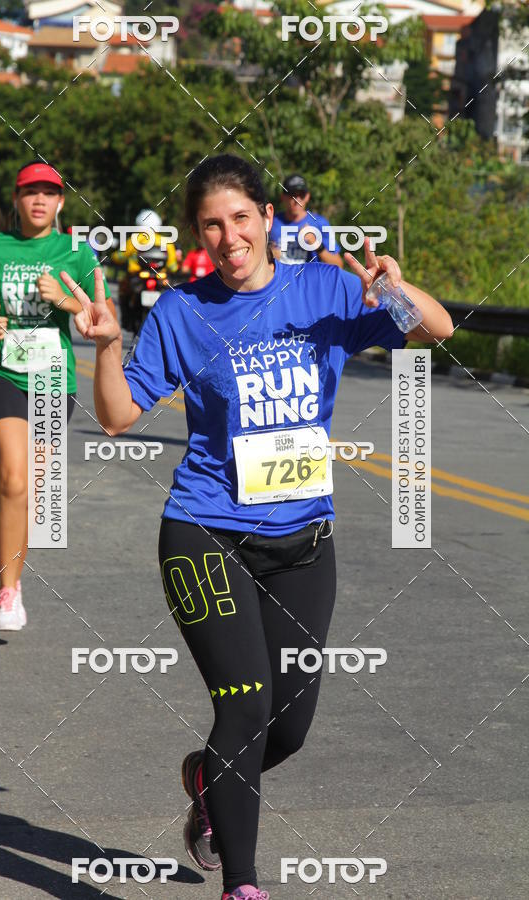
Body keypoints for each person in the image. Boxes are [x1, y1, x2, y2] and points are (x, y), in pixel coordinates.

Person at [61, 154, 453, 900]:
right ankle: (242, 883)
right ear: (197, 234)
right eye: (212, 223)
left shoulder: (327, 289)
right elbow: (115, 417)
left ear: (270, 219)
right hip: (205, 533)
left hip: (304, 543)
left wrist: (392, 290)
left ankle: (207, 778)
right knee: (243, 704)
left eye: (241, 218)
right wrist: (109, 344)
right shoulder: (181, 311)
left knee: (291, 725)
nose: (229, 236)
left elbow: (433, 331)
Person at [0, 160, 115, 632]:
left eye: (49, 192)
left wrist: (65, 300)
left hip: (52, 375)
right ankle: (7, 593)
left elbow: (98, 315)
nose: (39, 200)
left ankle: (17, 582)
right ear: (17, 199)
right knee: (13, 477)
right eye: (31, 192)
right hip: (1, 370)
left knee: (32, 487)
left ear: (61, 201)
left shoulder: (77, 252)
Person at [269, 173, 343, 268]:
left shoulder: (320, 223)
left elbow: (338, 265)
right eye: (292, 195)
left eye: (301, 195)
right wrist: (270, 257)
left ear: (307, 197)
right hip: (282, 282)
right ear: (283, 197)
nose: (297, 200)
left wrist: (315, 243)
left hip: (311, 281)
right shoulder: (272, 222)